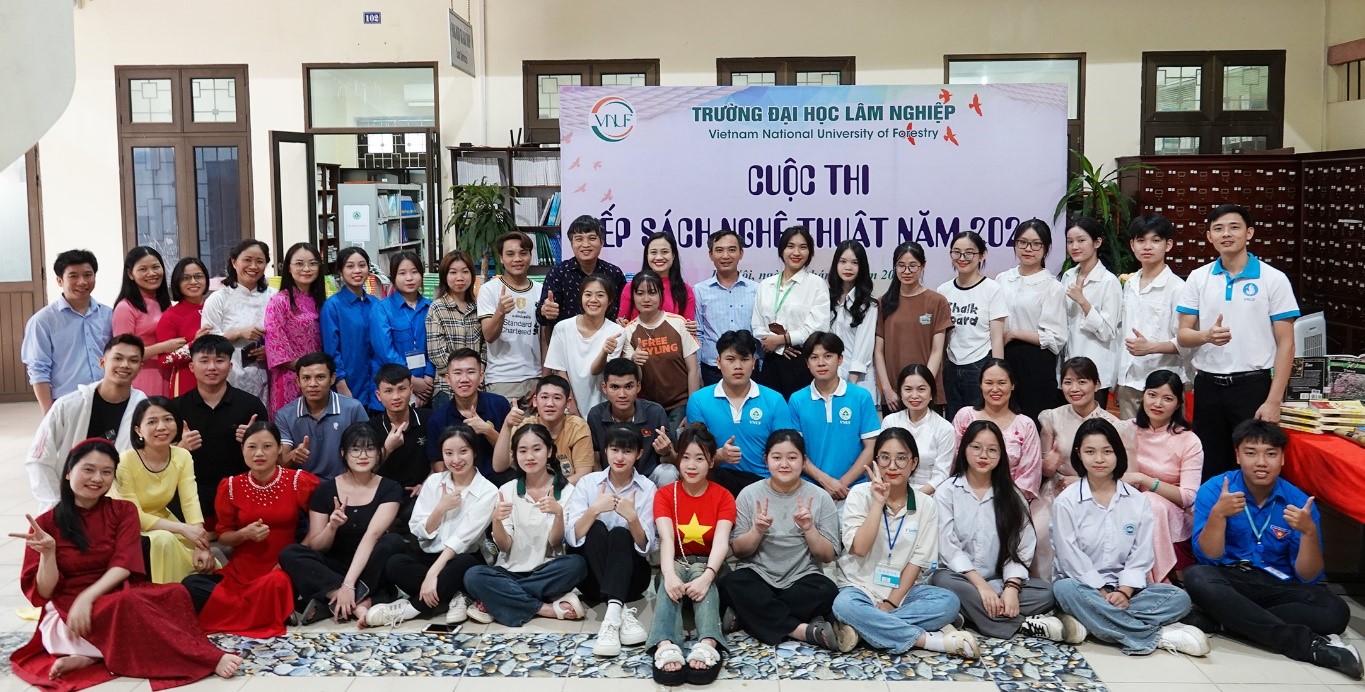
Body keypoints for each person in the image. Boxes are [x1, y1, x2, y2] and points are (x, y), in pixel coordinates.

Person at [9, 439, 242, 689]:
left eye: (106, 472)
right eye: (88, 470)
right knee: (128, 605)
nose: (97, 478)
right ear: (68, 472)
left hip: (113, 590)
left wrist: (88, 597)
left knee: (174, 593)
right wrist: (48, 553)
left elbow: (124, 564)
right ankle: (207, 659)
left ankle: (93, 655)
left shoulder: (123, 510)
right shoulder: (46, 524)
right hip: (71, 612)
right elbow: (44, 592)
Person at [1184, 420, 1360, 680]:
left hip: (1278, 585)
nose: (1261, 462)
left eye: (1270, 454)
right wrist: (1218, 515)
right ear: (1238, 455)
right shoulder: (1216, 490)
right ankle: (1308, 646)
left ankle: (1227, 620)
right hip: (1231, 580)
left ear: (1282, 458)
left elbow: (1308, 577)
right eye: (1251, 453)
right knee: (1197, 577)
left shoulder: (1298, 501)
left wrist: (1309, 533)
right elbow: (1208, 557)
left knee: (1335, 611)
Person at [1050, 418, 1209, 657]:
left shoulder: (1137, 501)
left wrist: (1124, 592)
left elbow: (1141, 554)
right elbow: (1069, 557)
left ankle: (1092, 622)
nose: (1099, 459)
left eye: (1107, 451)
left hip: (1126, 590)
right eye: (1090, 452)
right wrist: (1101, 592)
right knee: (1065, 589)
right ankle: (1155, 636)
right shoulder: (1066, 501)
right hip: (1083, 587)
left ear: (1118, 453)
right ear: (1078, 454)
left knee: (1179, 598)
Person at [833, 427, 980, 658]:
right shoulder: (860, 494)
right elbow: (860, 548)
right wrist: (877, 503)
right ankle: (931, 641)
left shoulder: (926, 504)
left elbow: (916, 563)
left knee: (948, 602)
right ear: (876, 461)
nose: (892, 466)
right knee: (844, 605)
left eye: (901, 458)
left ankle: (864, 629)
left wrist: (890, 604)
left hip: (903, 593)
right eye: (885, 457)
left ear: (914, 462)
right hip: (859, 586)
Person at [1177, 204, 1299, 480]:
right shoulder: (1198, 277)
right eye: (1218, 229)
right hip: (1208, 385)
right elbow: (1183, 334)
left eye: (1234, 227)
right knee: (1210, 463)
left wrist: (1274, 401)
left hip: (1253, 387)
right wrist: (1206, 336)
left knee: (1254, 466)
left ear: (1249, 233)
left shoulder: (1273, 279)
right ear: (1209, 236)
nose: (1226, 234)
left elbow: (1287, 345)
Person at [929, 421, 1071, 642]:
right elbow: (948, 547)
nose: (983, 455)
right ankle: (1022, 625)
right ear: (964, 449)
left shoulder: (1012, 495)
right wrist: (981, 586)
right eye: (976, 447)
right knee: (943, 583)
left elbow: (1021, 546)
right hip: (961, 579)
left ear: (1001, 455)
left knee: (1047, 593)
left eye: (992, 449)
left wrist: (1011, 588)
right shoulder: (946, 492)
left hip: (998, 581)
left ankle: (971, 614)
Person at [183, 421, 320, 637]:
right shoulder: (230, 485)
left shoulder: (298, 481)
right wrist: (244, 534)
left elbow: (319, 526)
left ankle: (244, 611)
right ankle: (264, 610)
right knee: (191, 584)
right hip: (240, 573)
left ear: (279, 449)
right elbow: (224, 536)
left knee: (276, 584)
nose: (259, 453)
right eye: (252, 447)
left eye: (267, 446)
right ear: (242, 449)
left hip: (280, 569)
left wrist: (294, 558)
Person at [719, 429, 850, 652]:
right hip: (758, 576)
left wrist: (809, 529)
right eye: (777, 457)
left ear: (804, 461)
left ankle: (746, 616)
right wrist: (757, 531)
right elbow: (739, 551)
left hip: (802, 578)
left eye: (792, 457)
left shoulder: (820, 497)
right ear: (766, 460)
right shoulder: (749, 494)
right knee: (732, 583)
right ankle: (802, 630)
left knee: (827, 591)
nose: (784, 464)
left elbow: (827, 555)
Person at [365, 426, 498, 627]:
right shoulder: (434, 482)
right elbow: (417, 527)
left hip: (460, 557)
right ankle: (455, 595)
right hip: (429, 554)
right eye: (449, 453)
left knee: (464, 565)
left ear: (474, 452)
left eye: (463, 451)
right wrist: (440, 509)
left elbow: (462, 539)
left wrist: (432, 574)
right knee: (395, 564)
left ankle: (411, 609)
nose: (456, 460)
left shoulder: (488, 491)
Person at [278, 422, 407, 625]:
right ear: (343, 453)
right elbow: (317, 545)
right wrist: (332, 526)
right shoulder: (325, 491)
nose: (363, 456)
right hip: (334, 567)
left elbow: (372, 536)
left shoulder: (390, 488)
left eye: (369, 449)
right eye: (355, 449)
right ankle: (353, 601)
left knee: (393, 542)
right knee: (290, 553)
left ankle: (337, 602)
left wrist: (349, 584)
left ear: (378, 453)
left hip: (370, 566)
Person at [463, 423, 589, 626]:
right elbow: (505, 546)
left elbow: (556, 543)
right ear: (514, 455)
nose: (530, 456)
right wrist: (496, 520)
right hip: (510, 570)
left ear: (549, 451)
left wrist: (558, 514)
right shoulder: (507, 489)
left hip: (548, 570)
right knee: (473, 576)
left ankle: (498, 599)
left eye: (537, 449)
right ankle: (545, 608)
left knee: (577, 565)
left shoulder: (567, 491)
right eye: (522, 451)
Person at [1033, 357, 1136, 580]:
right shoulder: (1052, 417)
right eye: (1068, 382)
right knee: (1038, 531)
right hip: (1057, 490)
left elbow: (1128, 475)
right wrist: (1047, 466)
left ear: (1096, 384)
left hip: (1100, 492)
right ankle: (1044, 589)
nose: (1074, 389)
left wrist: (1084, 483)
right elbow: (1045, 469)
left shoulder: (1115, 425)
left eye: (1082, 382)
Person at [648, 424, 733, 686]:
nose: (691, 465)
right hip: (674, 564)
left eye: (699, 458)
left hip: (711, 567)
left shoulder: (723, 496)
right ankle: (665, 643)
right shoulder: (665, 495)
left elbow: (721, 543)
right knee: (672, 574)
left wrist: (707, 576)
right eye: (685, 457)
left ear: (711, 461)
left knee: (698, 570)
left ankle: (708, 641)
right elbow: (666, 539)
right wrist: (669, 574)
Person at [564, 425, 658, 657]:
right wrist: (594, 510)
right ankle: (619, 611)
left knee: (619, 533)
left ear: (639, 454)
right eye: (614, 449)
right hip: (592, 581)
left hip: (633, 579)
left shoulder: (647, 488)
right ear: (605, 450)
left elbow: (646, 547)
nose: (620, 457)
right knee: (596, 528)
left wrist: (633, 519)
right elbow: (572, 538)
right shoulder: (588, 483)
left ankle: (611, 617)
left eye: (627, 451)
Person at [26, 334, 148, 511]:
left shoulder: (145, 412)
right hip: (68, 499)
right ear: (102, 362)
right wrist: (56, 503)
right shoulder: (69, 405)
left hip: (118, 504)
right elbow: (38, 458)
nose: (125, 365)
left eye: (133, 360)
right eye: (118, 358)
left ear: (140, 367)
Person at [113, 397, 214, 584]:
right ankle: (166, 594)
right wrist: (183, 528)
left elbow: (190, 501)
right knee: (163, 540)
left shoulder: (182, 456)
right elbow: (132, 514)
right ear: (138, 430)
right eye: (152, 422)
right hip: (128, 526)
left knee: (207, 563)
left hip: (164, 520)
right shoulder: (125, 461)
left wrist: (200, 542)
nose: (161, 427)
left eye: (168, 419)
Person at [172, 335, 269, 527]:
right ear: (192, 367)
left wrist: (253, 442)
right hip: (191, 493)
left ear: (230, 366)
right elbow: (159, 458)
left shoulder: (251, 405)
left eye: (219, 361)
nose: (212, 367)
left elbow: (271, 454)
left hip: (240, 492)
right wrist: (180, 448)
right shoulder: (176, 408)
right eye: (204, 361)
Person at [684, 330, 794, 497]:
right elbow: (693, 453)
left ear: (754, 362)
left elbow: (785, 450)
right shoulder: (699, 400)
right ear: (718, 362)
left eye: (744, 359)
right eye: (730, 359)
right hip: (716, 482)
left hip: (763, 482)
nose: (738, 366)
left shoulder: (775, 400)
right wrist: (719, 455)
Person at [1125, 370, 1202, 584]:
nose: (1157, 403)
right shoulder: (1128, 428)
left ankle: (1156, 580)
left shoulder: (1189, 440)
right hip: (1128, 501)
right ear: (1143, 395)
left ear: (1178, 404)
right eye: (1152, 395)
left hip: (1172, 509)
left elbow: (1188, 497)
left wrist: (1143, 479)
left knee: (1151, 503)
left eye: (1167, 398)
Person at [788, 332, 879, 501]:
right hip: (810, 489)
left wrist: (841, 484)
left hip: (854, 490)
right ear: (807, 363)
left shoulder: (861, 397)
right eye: (814, 357)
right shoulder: (797, 400)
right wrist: (826, 482)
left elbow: (871, 447)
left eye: (828, 356)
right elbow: (794, 451)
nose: (821, 363)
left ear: (840, 359)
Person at [22, 249, 113, 413]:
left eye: (88, 275)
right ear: (59, 280)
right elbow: (39, 370)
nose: (82, 282)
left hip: (107, 397)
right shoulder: (42, 321)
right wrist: (49, 414)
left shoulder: (108, 315)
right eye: (73, 276)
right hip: (67, 403)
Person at [996, 220, 1067, 423]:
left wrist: (1014, 333)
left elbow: (1056, 338)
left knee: (1035, 421)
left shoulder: (1052, 286)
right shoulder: (1002, 279)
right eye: (1023, 242)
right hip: (1004, 356)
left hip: (1036, 360)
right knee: (1003, 419)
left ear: (1046, 248)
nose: (1028, 249)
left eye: (1036, 244)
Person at [1117, 215, 1187, 420]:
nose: (1147, 247)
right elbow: (1121, 333)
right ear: (1132, 245)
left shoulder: (1178, 288)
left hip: (1164, 385)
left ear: (1168, 245)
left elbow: (1186, 341)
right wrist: (1118, 378)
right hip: (1129, 382)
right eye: (1141, 240)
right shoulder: (1129, 285)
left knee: (1165, 438)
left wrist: (1151, 347)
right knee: (1129, 437)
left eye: (1155, 240)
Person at [751, 226, 829, 398]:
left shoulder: (816, 284)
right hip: (771, 361)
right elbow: (757, 326)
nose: (796, 252)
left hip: (803, 361)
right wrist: (778, 347)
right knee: (771, 412)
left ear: (810, 252)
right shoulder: (766, 284)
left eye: (803, 247)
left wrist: (783, 340)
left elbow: (818, 328)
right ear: (782, 250)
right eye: (790, 246)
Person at [950, 359, 1041, 504]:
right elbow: (953, 461)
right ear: (980, 385)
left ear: (1012, 385)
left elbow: (1029, 475)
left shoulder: (1026, 424)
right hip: (964, 497)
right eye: (989, 383)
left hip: (1010, 501)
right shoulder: (964, 416)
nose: (995, 389)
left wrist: (1000, 502)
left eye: (1001, 383)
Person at [937, 231, 1006, 419]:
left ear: (982, 255)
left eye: (969, 253)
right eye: (956, 252)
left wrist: (997, 374)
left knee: (980, 421)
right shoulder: (943, 290)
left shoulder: (992, 289)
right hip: (951, 366)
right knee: (954, 422)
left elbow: (997, 338)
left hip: (980, 364)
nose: (962, 258)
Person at [620, 270, 701, 430]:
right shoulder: (628, 331)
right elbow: (634, 379)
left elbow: (693, 370)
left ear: (661, 295)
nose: (646, 299)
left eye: (652, 293)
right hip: (649, 406)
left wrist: (691, 411)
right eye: (640, 293)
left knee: (672, 440)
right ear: (633, 297)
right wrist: (635, 360)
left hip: (681, 403)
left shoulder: (679, 323)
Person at [875, 241, 951, 413]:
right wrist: (886, 389)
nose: (906, 271)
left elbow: (937, 350)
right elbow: (878, 352)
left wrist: (924, 386)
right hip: (894, 395)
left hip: (928, 394)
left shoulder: (937, 301)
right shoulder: (883, 303)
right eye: (901, 265)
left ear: (923, 266)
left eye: (912, 266)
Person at [273, 353, 371, 481]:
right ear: (298, 381)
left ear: (332, 378)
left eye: (320, 377)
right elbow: (282, 463)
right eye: (306, 378)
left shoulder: (353, 409)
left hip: (346, 483)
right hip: (303, 486)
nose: (313, 384)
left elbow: (369, 454)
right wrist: (293, 455)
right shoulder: (284, 415)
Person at [200, 239, 275, 404]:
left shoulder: (274, 297)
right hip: (228, 376)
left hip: (267, 375)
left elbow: (284, 337)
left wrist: (270, 350)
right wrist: (238, 333)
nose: (253, 266)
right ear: (234, 262)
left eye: (260, 261)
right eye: (247, 260)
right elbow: (206, 343)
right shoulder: (218, 299)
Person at [1059, 217, 1123, 408]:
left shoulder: (1109, 282)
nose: (1074, 246)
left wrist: (1083, 301)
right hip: (1068, 368)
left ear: (1097, 242)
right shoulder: (1068, 276)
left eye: (1081, 240)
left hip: (1095, 370)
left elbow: (1108, 332)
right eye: (1070, 241)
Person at [425, 348, 511, 484]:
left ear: (481, 376)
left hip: (497, 481)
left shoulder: (499, 404)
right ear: (448, 379)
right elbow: (438, 465)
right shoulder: (437, 418)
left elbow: (512, 452)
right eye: (457, 373)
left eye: (471, 372)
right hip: (459, 485)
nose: (464, 379)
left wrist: (487, 430)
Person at [588, 358, 677, 487]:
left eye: (629, 387)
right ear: (604, 388)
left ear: (638, 386)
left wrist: (666, 452)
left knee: (668, 472)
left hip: (648, 481)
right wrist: (604, 486)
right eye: (615, 387)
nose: (622, 394)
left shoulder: (655, 412)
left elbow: (674, 460)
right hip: (611, 481)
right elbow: (595, 459)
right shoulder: (595, 415)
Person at [477, 232, 545, 402]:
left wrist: (545, 379)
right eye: (510, 254)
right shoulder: (489, 290)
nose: (517, 259)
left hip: (535, 377)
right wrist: (500, 312)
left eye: (523, 253)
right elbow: (489, 336)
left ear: (530, 256)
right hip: (501, 379)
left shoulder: (541, 290)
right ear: (501, 258)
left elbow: (545, 339)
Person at [544, 274, 625, 414]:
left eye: (600, 295)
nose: (593, 300)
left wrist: (604, 352)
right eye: (588, 294)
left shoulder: (617, 332)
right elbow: (560, 372)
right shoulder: (562, 328)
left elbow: (598, 371)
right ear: (581, 297)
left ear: (610, 300)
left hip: (603, 411)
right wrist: (574, 412)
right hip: (569, 409)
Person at [493, 375, 595, 483]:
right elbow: (499, 467)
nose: (550, 404)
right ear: (535, 401)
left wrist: (553, 489)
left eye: (557, 398)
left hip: (567, 488)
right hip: (529, 488)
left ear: (568, 403)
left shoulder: (577, 427)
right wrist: (507, 425)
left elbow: (583, 474)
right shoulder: (523, 427)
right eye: (544, 397)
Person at [264, 242, 326, 415]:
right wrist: (308, 371)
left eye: (312, 263)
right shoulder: (279, 301)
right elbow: (277, 347)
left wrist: (318, 373)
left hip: (319, 379)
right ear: (289, 268)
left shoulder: (321, 302)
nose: (306, 269)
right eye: (299, 263)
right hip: (290, 377)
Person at [370, 364, 433, 528]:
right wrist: (387, 448)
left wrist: (427, 484)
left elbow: (440, 461)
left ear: (411, 390)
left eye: (402, 389)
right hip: (384, 497)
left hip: (422, 492)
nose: (396, 396)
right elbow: (366, 472)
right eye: (388, 391)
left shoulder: (429, 419)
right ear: (378, 395)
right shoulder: (370, 428)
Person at [693, 230, 758, 387]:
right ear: (710, 254)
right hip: (712, 369)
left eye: (732, 250)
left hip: (748, 367)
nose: (725, 256)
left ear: (741, 253)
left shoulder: (756, 290)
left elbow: (760, 330)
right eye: (719, 250)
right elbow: (698, 334)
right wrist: (698, 371)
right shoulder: (699, 291)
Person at [537, 214, 626, 327]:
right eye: (579, 239)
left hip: (608, 336)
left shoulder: (614, 273)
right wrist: (545, 311)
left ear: (602, 242)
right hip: (568, 336)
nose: (585, 245)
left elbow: (624, 310)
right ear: (571, 244)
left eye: (592, 238)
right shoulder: (558, 273)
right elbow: (542, 318)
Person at [112, 246, 177, 398]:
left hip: (169, 374)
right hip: (143, 377)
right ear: (130, 274)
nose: (152, 273)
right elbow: (124, 352)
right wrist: (163, 347)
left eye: (156, 267)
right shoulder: (125, 308)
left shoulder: (165, 303)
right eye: (143, 269)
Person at [371, 251, 435, 407]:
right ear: (393, 277)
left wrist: (428, 376)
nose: (409, 278)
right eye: (402, 273)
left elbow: (435, 345)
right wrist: (411, 381)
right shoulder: (382, 308)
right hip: (393, 386)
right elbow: (385, 351)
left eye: (414, 272)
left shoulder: (431, 306)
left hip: (426, 387)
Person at [880, 364, 955, 495]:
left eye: (921, 389)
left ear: (931, 393)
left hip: (930, 495)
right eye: (908, 389)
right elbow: (883, 462)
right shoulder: (890, 422)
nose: (914, 395)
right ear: (900, 393)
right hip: (892, 491)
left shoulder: (944, 428)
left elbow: (942, 474)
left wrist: (914, 498)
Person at [321, 246, 380, 412]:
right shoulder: (332, 306)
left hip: (377, 383)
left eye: (362, 265)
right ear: (340, 271)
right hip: (349, 382)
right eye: (350, 266)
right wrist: (340, 382)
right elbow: (331, 350)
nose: (357, 271)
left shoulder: (376, 304)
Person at [428, 249, 484, 411]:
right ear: (445, 276)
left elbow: (486, 346)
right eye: (453, 272)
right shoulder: (437, 308)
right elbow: (437, 354)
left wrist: (476, 374)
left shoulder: (479, 307)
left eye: (465, 272)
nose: (460, 277)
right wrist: (461, 376)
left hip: (477, 387)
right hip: (446, 388)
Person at [827, 240, 879, 402]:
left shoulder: (869, 305)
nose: (848, 267)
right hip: (828, 380)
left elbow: (863, 349)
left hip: (857, 382)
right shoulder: (825, 299)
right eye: (843, 261)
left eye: (854, 263)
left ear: (861, 267)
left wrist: (850, 385)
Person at [155, 257, 213, 398]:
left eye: (198, 276)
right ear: (177, 283)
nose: (193, 282)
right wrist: (194, 345)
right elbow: (164, 362)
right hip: (186, 382)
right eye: (186, 278)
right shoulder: (171, 316)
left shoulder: (215, 307)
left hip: (221, 379)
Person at [620, 231, 697, 323]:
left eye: (664, 252)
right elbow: (622, 323)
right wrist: (622, 324)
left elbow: (687, 327)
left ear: (673, 255)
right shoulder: (631, 287)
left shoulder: (685, 290)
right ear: (647, 255)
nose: (659, 257)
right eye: (653, 252)